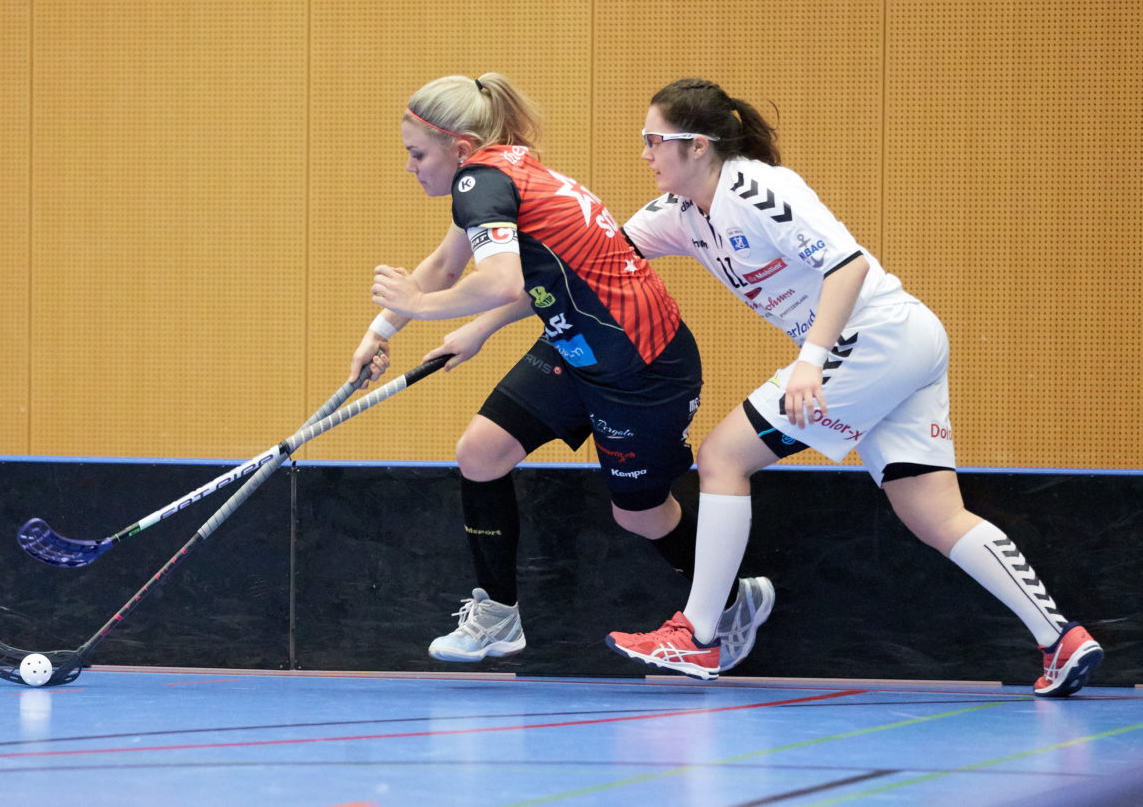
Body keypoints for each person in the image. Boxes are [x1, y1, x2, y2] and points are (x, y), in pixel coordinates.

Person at [605, 77, 1103, 696]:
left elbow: (848, 265)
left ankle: (699, 636)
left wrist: (811, 361)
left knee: (723, 456)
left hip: (874, 337)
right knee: (934, 513)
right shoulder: (679, 215)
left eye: (654, 140)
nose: (645, 153)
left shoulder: (757, 188)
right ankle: (1062, 639)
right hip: (899, 346)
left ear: (698, 145)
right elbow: (596, 260)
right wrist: (487, 307)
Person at [349, 73, 775, 669]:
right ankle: (498, 616)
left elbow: (498, 280)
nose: (411, 166)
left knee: (639, 514)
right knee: (480, 452)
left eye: (417, 154)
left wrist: (419, 308)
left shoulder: (482, 181)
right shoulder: (501, 172)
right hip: (578, 346)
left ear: (461, 149)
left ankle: (731, 603)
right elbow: (450, 267)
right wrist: (383, 333)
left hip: (643, 368)